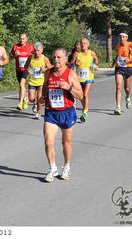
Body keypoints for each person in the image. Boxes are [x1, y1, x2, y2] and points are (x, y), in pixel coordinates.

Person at [38, 48, 83, 182]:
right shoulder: (48, 73)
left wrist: (68, 88)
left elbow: (80, 95)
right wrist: (43, 97)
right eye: (54, 58)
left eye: (59, 58)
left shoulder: (71, 74)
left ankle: (66, 166)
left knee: (66, 143)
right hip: (51, 112)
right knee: (48, 141)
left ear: (65, 60)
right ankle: (52, 168)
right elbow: (45, 87)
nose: (56, 60)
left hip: (67, 112)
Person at [109, 31, 132, 115]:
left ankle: (128, 98)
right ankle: (118, 107)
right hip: (119, 68)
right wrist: (113, 63)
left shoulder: (131, 45)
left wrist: (129, 60)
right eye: (120, 37)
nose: (121, 39)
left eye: (123, 37)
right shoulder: (118, 45)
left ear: (126, 38)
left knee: (127, 88)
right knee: (118, 86)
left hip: (128, 68)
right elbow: (118, 56)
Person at [71, 38, 99, 122]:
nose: (83, 45)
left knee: (85, 94)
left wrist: (95, 65)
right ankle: (85, 107)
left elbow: (96, 60)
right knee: (81, 96)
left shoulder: (92, 53)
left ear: (88, 44)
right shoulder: (77, 54)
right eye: (81, 43)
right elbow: (71, 63)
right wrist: (75, 63)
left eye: (85, 43)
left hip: (88, 77)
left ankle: (84, 112)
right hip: (79, 78)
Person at [23, 42, 52, 119]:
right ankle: (35, 103)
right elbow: (25, 66)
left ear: (41, 51)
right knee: (31, 98)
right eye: (35, 50)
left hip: (41, 82)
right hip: (32, 81)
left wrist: (44, 69)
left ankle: (38, 113)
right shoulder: (30, 57)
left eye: (38, 50)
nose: (36, 52)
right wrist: (27, 70)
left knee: (40, 97)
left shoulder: (44, 58)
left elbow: (51, 68)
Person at [10, 33, 35, 110]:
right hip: (18, 69)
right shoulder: (15, 47)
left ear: (27, 39)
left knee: (22, 84)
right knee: (22, 86)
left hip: (27, 69)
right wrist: (15, 55)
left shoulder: (30, 47)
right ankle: (26, 98)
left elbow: (36, 56)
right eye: (20, 38)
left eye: (23, 38)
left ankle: (20, 103)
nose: (22, 40)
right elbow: (10, 57)